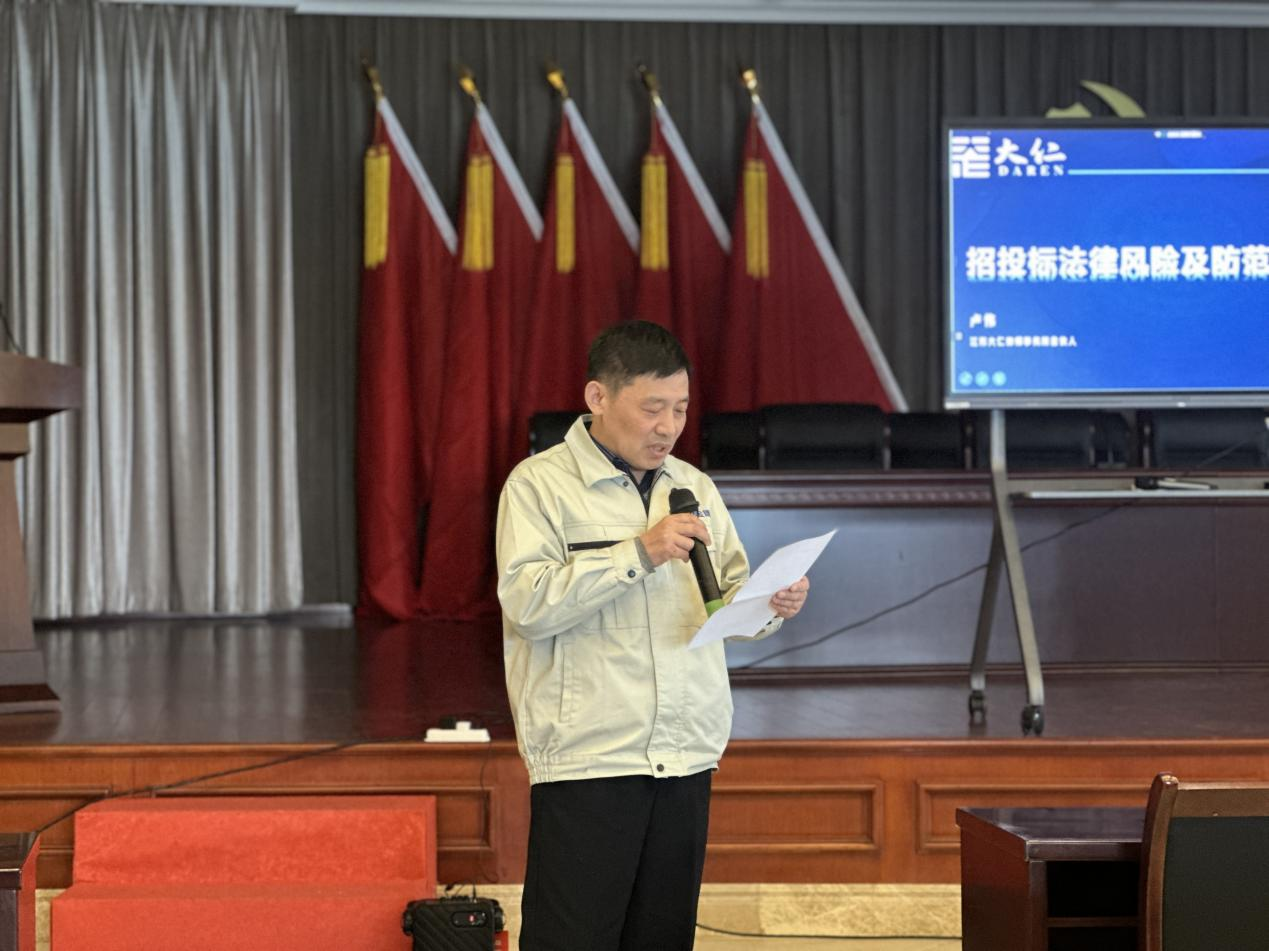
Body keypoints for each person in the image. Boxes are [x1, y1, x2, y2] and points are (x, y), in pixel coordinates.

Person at [496, 320, 809, 951]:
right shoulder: (538, 486)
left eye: (681, 409)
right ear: (598, 397)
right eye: (652, 408)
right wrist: (638, 552)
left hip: (685, 752)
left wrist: (771, 605)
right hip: (590, 756)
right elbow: (527, 604)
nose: (668, 427)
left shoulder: (694, 487)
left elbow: (724, 600)